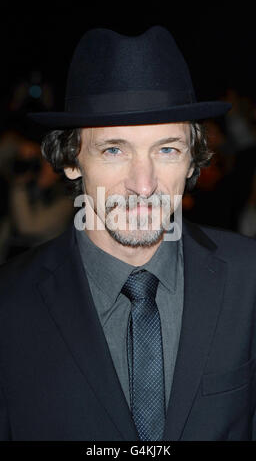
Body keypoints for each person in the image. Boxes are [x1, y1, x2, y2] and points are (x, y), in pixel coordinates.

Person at [0, 25, 255, 442]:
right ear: (71, 160)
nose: (143, 182)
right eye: (114, 149)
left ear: (193, 161)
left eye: (167, 149)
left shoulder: (249, 281)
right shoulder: (9, 308)